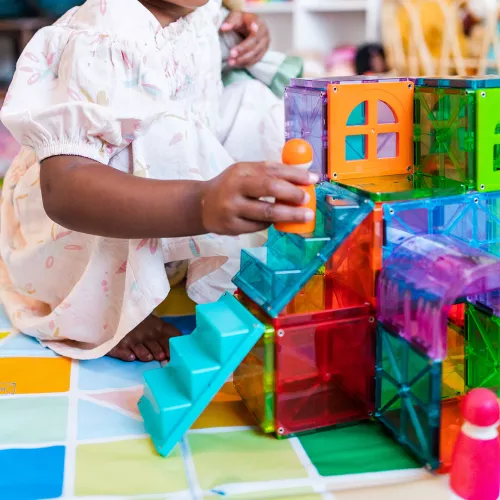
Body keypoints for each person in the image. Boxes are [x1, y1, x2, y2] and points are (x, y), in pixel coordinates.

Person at [0, 0, 317, 362]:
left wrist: (245, 34)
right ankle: (105, 305)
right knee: (155, 134)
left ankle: (243, 252)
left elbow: (194, 61)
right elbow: (64, 190)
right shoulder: (102, 35)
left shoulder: (199, 10)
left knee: (250, 99)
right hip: (74, 225)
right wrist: (199, 204)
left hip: (168, 195)